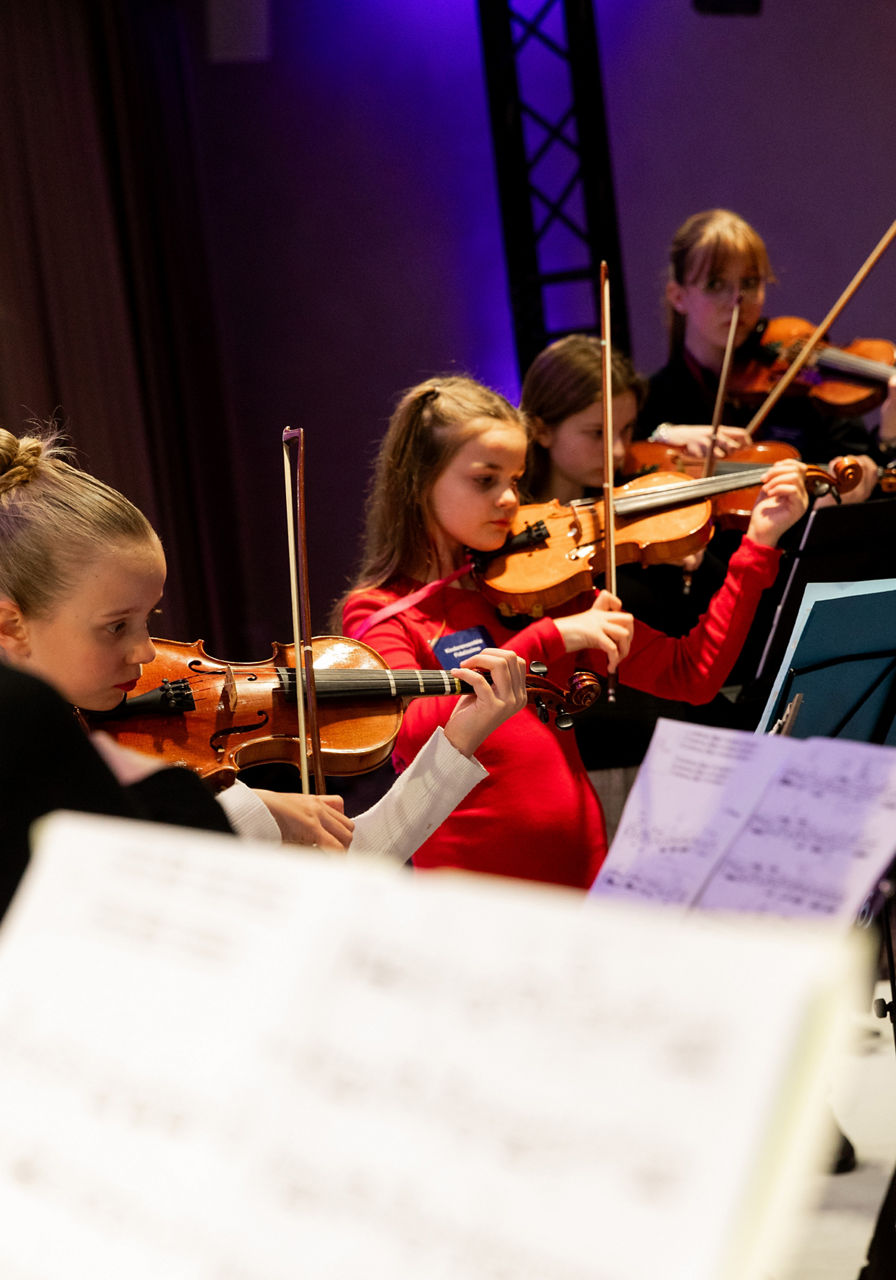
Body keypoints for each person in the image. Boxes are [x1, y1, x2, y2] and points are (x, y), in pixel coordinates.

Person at [338, 375, 810, 890]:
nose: (510, 500)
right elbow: (413, 731)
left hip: (586, 868)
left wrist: (759, 545)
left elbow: (691, 675)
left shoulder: (534, 585)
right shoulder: (381, 611)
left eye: (515, 479)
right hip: (473, 891)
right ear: (420, 481)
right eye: (485, 480)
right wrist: (550, 637)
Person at [0, 426, 528, 866]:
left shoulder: (139, 760)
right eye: (117, 626)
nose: (145, 652)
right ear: (11, 625)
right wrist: (252, 816)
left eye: (149, 617)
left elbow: (350, 860)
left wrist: (459, 738)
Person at [636, 208, 896, 492]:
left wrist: (889, 439)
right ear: (679, 297)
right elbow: (622, 460)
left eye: (749, 282)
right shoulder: (653, 398)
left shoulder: (802, 380)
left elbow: (861, 474)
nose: (737, 300)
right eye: (715, 284)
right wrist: (662, 436)